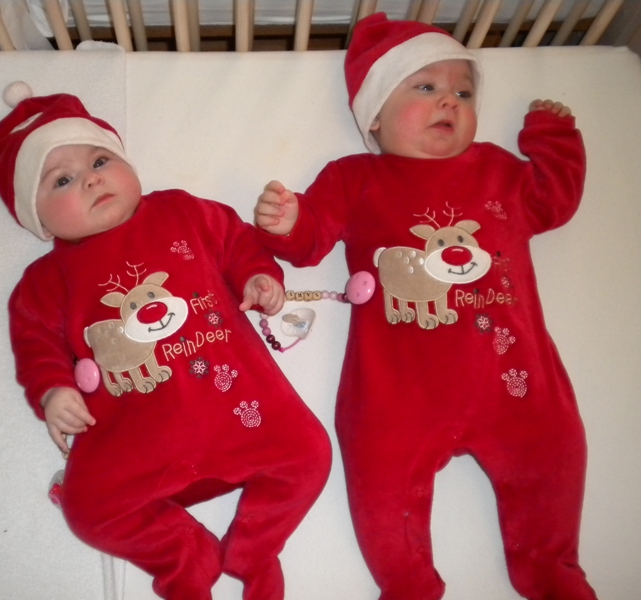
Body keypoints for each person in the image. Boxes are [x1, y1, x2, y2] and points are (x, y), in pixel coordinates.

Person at [255, 13, 598, 600]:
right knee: (380, 480)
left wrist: (552, 137)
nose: (449, 101)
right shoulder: (356, 179)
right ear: (375, 116)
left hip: (513, 382)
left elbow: (553, 201)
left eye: (463, 93)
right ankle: (407, 583)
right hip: (397, 393)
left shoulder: (497, 171)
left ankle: (551, 568)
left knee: (554, 452)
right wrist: (287, 223)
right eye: (426, 86)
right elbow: (311, 240)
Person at [0, 83, 331, 600]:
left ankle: (255, 547)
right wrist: (53, 390)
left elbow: (236, 242)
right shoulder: (46, 280)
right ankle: (182, 553)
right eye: (62, 180)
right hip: (140, 441)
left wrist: (258, 277)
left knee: (310, 454)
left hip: (243, 412)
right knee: (87, 509)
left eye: (100, 160)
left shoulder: (181, 213)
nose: (91, 179)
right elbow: (35, 343)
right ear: (36, 219)